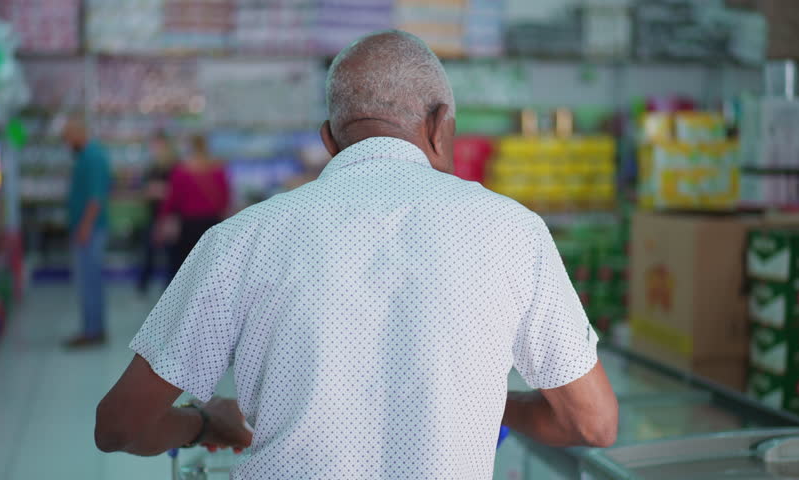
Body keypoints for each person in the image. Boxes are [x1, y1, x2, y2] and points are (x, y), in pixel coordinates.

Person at [95, 30, 618, 478]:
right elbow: (592, 423)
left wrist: (205, 424)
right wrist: (478, 403)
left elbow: (120, 425)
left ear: (329, 139)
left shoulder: (243, 238)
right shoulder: (514, 232)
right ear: (440, 126)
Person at [63, 116, 112, 349]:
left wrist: (84, 227)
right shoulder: (88, 155)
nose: (66, 144)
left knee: (88, 282)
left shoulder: (92, 157)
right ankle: (95, 328)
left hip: (90, 230)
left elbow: (95, 198)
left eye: (67, 138)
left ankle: (92, 331)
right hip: (89, 229)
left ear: (78, 134)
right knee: (90, 280)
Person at [154, 134, 230, 282]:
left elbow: (172, 201)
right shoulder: (218, 169)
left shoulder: (182, 171)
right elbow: (225, 199)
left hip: (188, 225)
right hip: (212, 224)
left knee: (184, 268)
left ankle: (184, 301)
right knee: (208, 268)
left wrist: (161, 222)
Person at [138, 130, 178, 295]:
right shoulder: (152, 167)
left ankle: (171, 287)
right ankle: (143, 284)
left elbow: (175, 191)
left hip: (170, 216)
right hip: (154, 215)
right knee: (150, 251)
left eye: (157, 145)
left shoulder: (174, 166)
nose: (154, 149)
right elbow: (146, 190)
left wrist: (159, 190)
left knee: (171, 254)